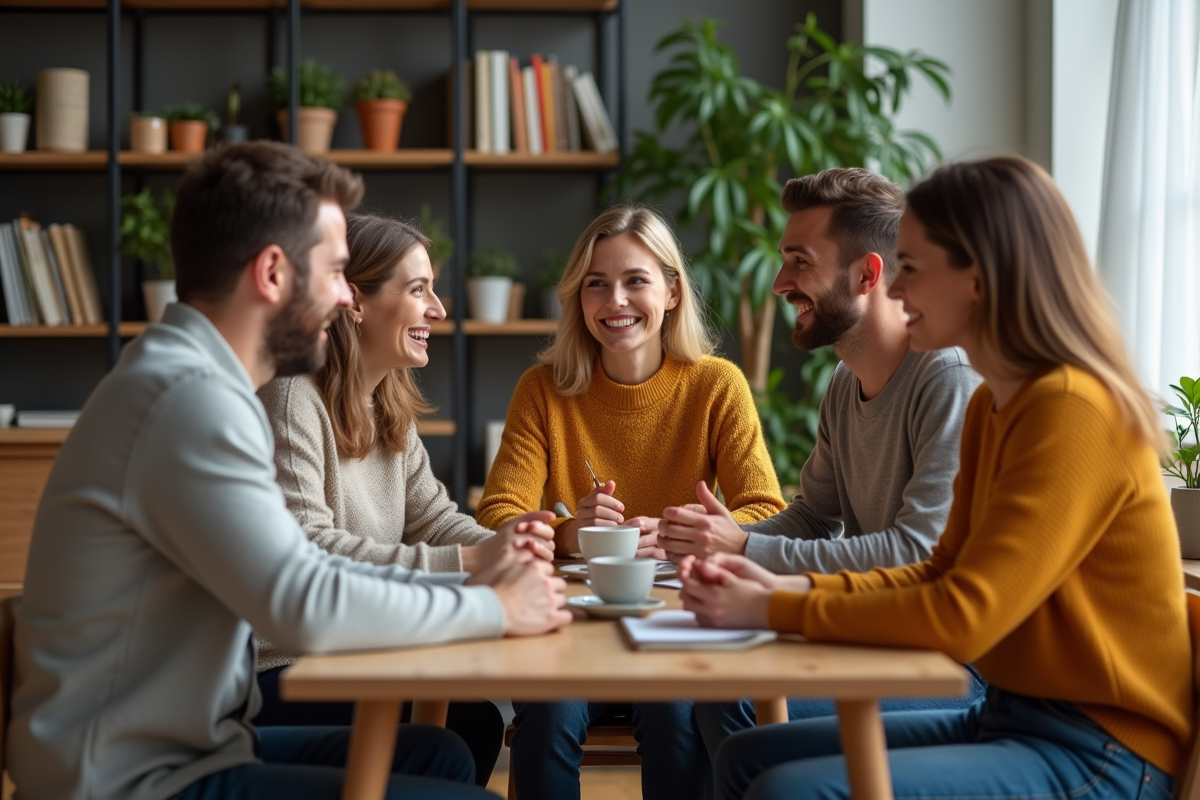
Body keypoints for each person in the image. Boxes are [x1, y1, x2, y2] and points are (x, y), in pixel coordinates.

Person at [8, 141, 571, 800]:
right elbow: (305, 599)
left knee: (440, 755)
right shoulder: (190, 401)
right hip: (130, 780)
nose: (342, 295)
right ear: (273, 273)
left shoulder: (193, 381)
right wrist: (490, 604)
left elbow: (308, 573)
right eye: (333, 271)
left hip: (199, 747)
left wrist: (491, 575)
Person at [681, 156, 1192, 800]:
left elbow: (965, 614)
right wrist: (777, 584)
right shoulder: (994, 404)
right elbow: (937, 568)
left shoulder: (1070, 408)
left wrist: (777, 602)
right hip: (1012, 715)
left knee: (787, 789)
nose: (895, 292)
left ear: (977, 279)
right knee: (746, 759)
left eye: (914, 269)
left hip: (1102, 749)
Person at [655, 168, 985, 758]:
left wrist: (745, 547)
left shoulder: (946, 377)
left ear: (867, 275)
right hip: (878, 634)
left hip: (956, 667)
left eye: (799, 262)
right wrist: (715, 538)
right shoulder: (844, 381)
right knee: (707, 685)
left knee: (730, 698)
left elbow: (919, 553)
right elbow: (813, 517)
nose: (779, 283)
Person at [476, 204, 787, 800]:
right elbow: (496, 516)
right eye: (596, 284)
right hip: (570, 631)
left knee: (676, 716)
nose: (614, 301)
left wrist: (685, 534)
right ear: (579, 298)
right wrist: (569, 532)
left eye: (635, 281)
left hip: (677, 627)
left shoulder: (716, 385)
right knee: (545, 717)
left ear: (671, 292)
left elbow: (766, 513)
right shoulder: (542, 390)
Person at [253, 213, 555, 785]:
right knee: (463, 727)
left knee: (474, 721)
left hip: (359, 647)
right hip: (287, 668)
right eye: (419, 290)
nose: (437, 309)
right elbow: (308, 548)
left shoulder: (386, 402)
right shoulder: (292, 398)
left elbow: (434, 519)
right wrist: (474, 560)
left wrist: (517, 547)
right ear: (354, 301)